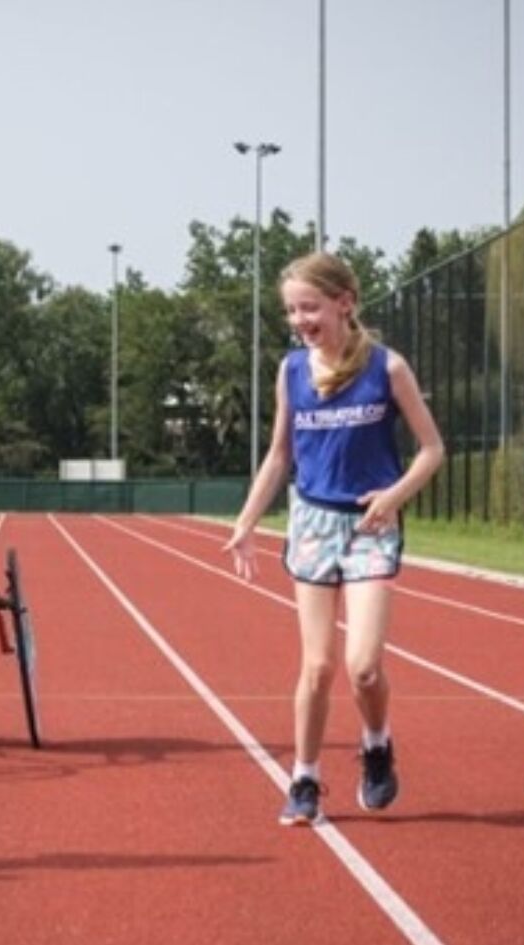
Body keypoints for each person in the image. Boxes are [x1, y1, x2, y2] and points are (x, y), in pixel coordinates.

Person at [224, 251, 444, 826]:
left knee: (364, 666)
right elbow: (279, 455)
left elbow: (432, 450)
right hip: (313, 522)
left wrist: (394, 496)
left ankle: (376, 744)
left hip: (372, 525)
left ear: (344, 302)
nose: (300, 320)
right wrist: (246, 522)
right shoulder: (291, 371)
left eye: (310, 307)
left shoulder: (388, 368)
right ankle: (305, 778)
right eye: (292, 311)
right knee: (317, 666)